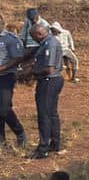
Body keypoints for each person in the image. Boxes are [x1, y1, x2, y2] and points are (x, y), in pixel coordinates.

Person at [29, 22, 64, 158]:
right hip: (52, 81)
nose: (34, 40)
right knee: (52, 113)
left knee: (44, 115)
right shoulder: (46, 43)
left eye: (34, 37)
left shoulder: (50, 44)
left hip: (49, 81)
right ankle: (55, 144)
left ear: (39, 34)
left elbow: (49, 69)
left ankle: (43, 149)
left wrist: (32, 72)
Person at [0, 19, 26, 150]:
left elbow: (17, 58)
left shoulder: (9, 39)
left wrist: (2, 68)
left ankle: (19, 132)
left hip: (5, 77)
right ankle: (1, 140)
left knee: (4, 109)